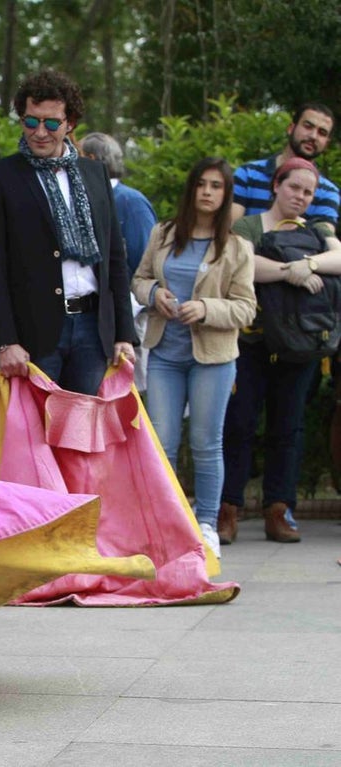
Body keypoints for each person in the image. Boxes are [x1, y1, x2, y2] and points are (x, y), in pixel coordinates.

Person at [0, 69, 136, 396]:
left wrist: (124, 333)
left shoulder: (94, 173)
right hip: (34, 334)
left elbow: (114, 258)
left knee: (84, 440)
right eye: (31, 122)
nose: (40, 132)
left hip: (93, 329)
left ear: (69, 123)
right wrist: (4, 342)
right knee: (36, 440)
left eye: (51, 123)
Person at [130, 158, 257, 559]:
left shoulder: (238, 248)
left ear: (225, 195)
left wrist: (206, 308)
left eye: (216, 186)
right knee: (162, 444)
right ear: (191, 190)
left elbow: (246, 309)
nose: (207, 192)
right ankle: (164, 525)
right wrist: (154, 295)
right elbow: (138, 279)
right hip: (166, 353)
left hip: (213, 359)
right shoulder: (163, 233)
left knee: (205, 443)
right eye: (201, 184)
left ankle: (206, 526)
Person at [222, 157, 341, 544]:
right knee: (238, 424)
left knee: (288, 429)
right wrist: (296, 271)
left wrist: (308, 263)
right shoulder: (247, 225)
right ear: (276, 186)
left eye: (308, 192)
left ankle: (279, 509)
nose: (301, 197)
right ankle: (228, 509)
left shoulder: (319, 229)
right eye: (294, 187)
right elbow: (242, 264)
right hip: (250, 342)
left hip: (300, 344)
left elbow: (338, 259)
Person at [81, 131, 159, 393]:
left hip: (129, 313)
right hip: (94, 317)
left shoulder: (130, 201)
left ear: (91, 159)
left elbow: (145, 259)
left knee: (129, 390)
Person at [233, 103, 338, 232]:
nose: (313, 136)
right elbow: (231, 231)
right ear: (290, 128)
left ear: (326, 144)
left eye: (322, 133)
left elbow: (325, 243)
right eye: (308, 126)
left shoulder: (328, 192)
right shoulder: (247, 174)